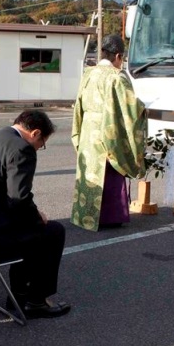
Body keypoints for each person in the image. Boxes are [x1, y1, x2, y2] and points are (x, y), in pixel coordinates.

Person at [0, 110, 70, 318]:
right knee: (51, 231)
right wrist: (37, 216)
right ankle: (36, 301)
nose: (39, 148)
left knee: (29, 228)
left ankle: (18, 295)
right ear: (35, 133)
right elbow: (18, 199)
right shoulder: (21, 148)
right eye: (42, 143)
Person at [71, 34, 147, 231]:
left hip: (88, 130)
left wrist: (79, 131)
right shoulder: (117, 77)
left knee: (89, 172)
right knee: (110, 172)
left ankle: (85, 215)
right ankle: (108, 217)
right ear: (119, 56)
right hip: (107, 130)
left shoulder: (89, 73)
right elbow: (130, 110)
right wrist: (143, 110)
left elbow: (78, 105)